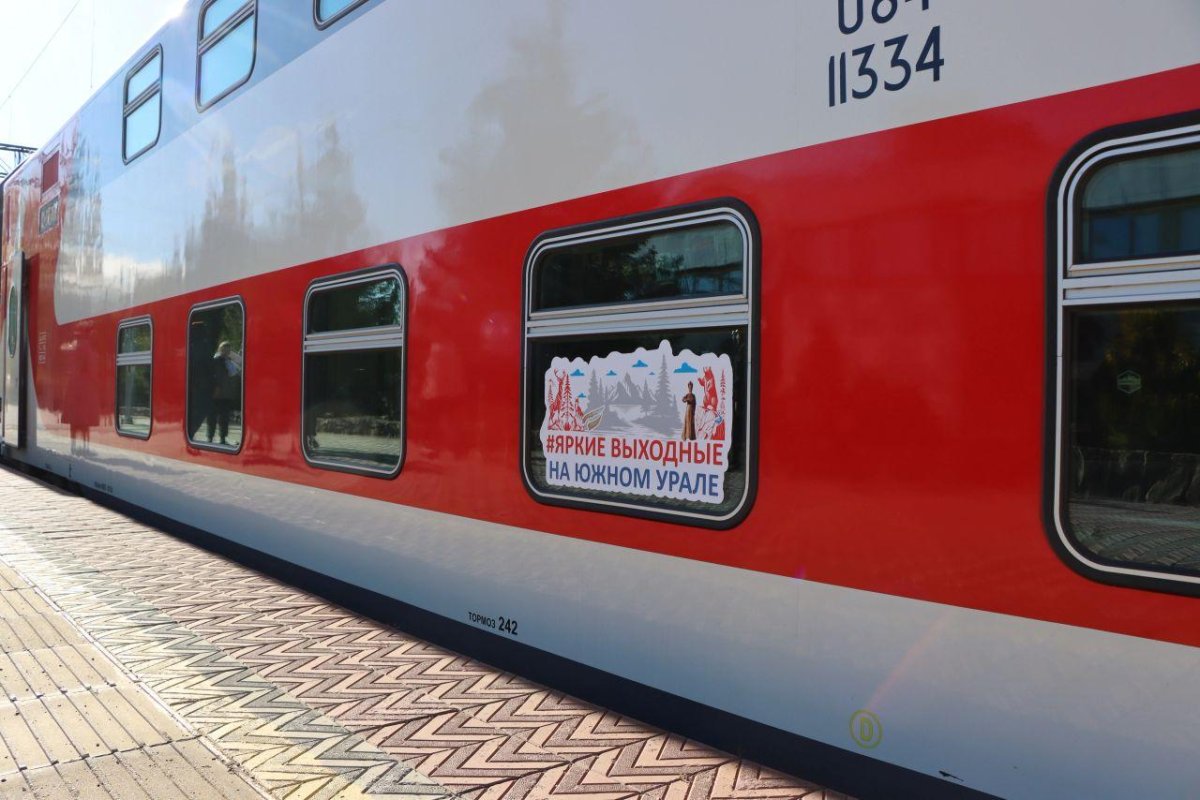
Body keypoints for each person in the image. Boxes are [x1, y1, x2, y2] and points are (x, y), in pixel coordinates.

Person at [208, 341, 240, 445]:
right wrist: (215, 387)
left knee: (224, 418)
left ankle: (222, 438)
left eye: (228, 349)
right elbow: (212, 376)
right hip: (216, 394)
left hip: (226, 394)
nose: (227, 351)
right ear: (220, 349)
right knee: (212, 417)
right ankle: (210, 438)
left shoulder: (229, 361)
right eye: (225, 349)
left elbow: (234, 373)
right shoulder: (215, 361)